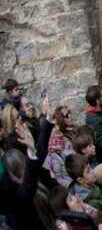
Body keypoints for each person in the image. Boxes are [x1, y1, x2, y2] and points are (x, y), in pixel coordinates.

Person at [0, 96, 55, 230]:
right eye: (16, 118)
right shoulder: (11, 148)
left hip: (38, 195)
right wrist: (31, 151)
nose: (20, 118)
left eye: (19, 115)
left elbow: (37, 157)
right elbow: (21, 195)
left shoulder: (22, 136)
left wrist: (47, 119)